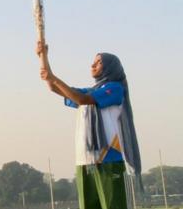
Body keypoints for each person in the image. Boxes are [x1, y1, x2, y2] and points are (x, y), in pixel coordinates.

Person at [36, 42, 141, 209]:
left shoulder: (115, 88)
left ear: (110, 67)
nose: (93, 64)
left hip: (109, 158)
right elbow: (54, 88)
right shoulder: (91, 90)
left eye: (98, 62)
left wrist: (53, 78)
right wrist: (43, 57)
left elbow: (83, 101)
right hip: (85, 159)